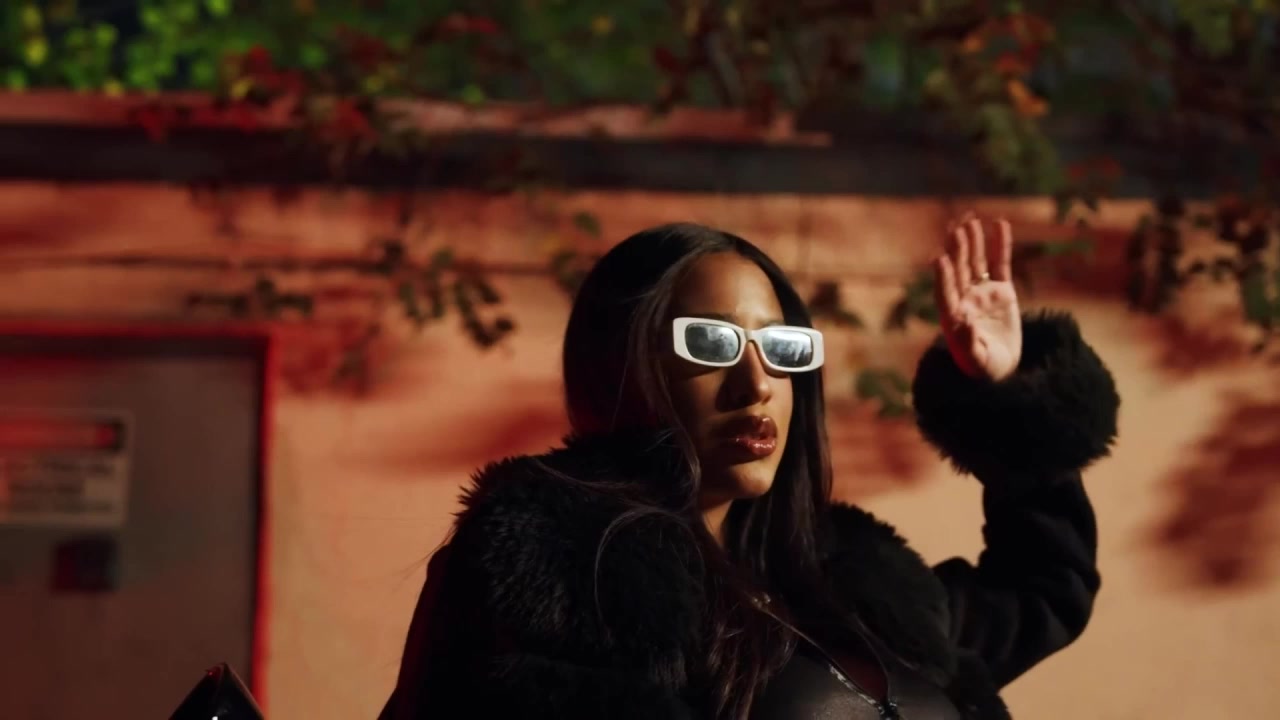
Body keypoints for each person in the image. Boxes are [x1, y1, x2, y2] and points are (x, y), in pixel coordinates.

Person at [378, 218, 1120, 720]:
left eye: (781, 348)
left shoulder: (857, 580)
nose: (756, 383)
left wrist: (1006, 391)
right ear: (623, 364)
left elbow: (1046, 586)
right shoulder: (558, 582)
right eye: (712, 343)